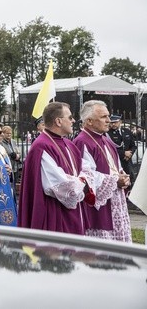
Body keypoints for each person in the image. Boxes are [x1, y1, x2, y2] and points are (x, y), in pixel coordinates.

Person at [18, 102, 95, 235]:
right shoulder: (41, 146)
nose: (74, 121)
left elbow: (85, 168)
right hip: (55, 212)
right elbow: (60, 185)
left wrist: (82, 179)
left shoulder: (68, 144)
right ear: (58, 121)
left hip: (75, 210)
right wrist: (82, 181)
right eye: (70, 118)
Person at [73, 100, 132, 242]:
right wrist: (114, 180)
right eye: (103, 117)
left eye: (108, 116)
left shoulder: (105, 139)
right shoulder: (82, 141)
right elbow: (86, 176)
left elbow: (115, 167)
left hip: (116, 199)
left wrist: (123, 177)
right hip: (99, 207)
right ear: (89, 121)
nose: (109, 121)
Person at [108, 114, 137, 185]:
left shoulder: (126, 131)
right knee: (120, 181)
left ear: (120, 122)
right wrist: (123, 153)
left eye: (115, 122)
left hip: (127, 160)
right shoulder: (107, 134)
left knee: (130, 179)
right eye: (111, 122)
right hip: (116, 161)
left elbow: (133, 145)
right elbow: (109, 149)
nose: (113, 124)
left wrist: (130, 154)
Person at [0, 125, 21, 195]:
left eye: (10, 133)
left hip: (15, 167)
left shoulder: (13, 142)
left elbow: (19, 152)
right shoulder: (1, 143)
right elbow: (3, 154)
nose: (9, 135)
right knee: (7, 186)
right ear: (3, 133)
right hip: (7, 168)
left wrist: (17, 156)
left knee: (14, 186)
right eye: (7, 133)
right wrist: (12, 155)